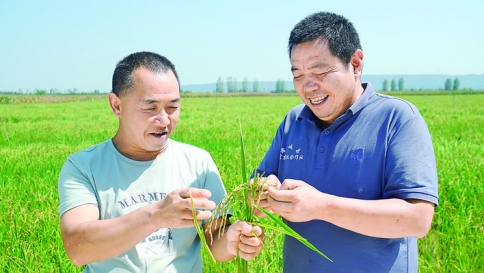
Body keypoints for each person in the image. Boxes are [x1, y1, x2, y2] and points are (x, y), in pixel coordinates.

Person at [254, 12, 438, 272]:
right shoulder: (293, 122)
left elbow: (417, 219)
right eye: (298, 75)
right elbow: (260, 181)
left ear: (355, 62)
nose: (308, 86)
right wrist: (262, 189)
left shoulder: (396, 119)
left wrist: (321, 206)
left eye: (319, 71)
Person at [58, 51, 264, 272]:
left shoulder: (197, 162)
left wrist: (235, 239)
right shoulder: (83, 167)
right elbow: (77, 249)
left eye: (173, 107)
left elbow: (216, 242)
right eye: (150, 107)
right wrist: (155, 216)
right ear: (116, 105)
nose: (165, 120)